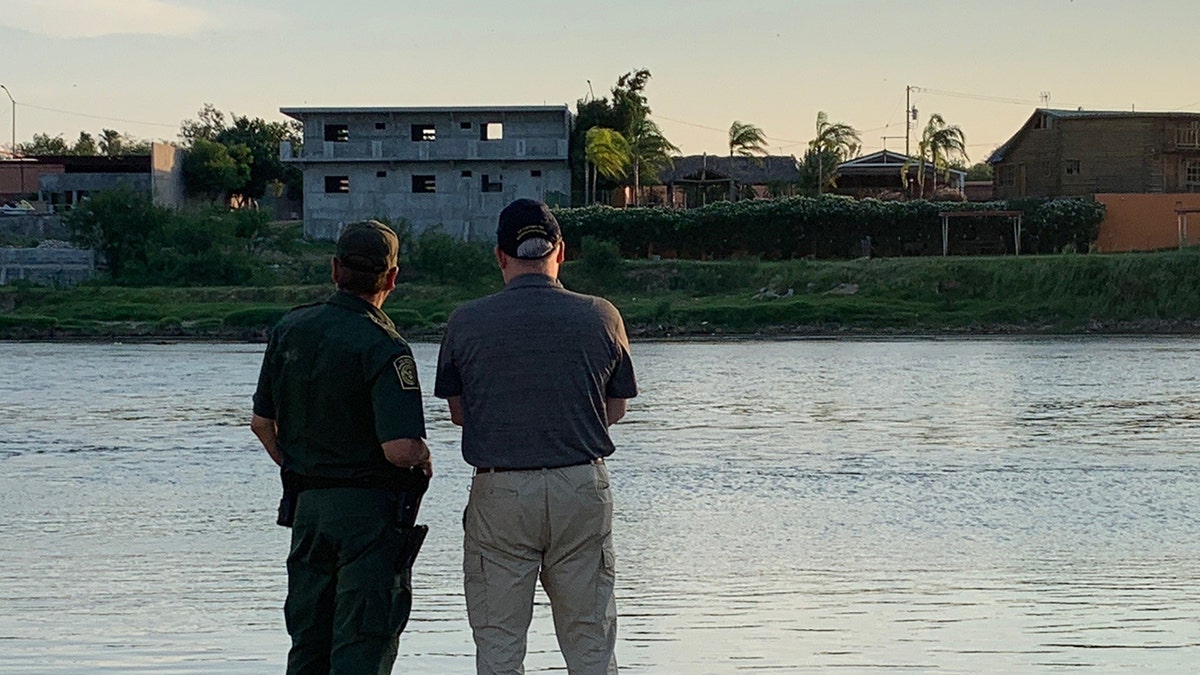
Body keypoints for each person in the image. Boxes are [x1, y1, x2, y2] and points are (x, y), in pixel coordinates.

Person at [435, 198, 638, 675]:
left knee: (500, 645)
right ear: (560, 252)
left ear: (500, 256)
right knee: (590, 643)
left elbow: (460, 414)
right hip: (581, 485)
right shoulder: (602, 316)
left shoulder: (465, 321)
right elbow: (616, 408)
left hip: (500, 491)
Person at [250, 220, 433, 674]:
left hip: (307, 510)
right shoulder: (384, 345)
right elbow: (399, 449)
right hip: (368, 518)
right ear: (391, 278)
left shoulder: (290, 328)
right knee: (361, 646)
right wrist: (424, 457)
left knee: (308, 646)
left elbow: (261, 424)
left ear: (335, 270)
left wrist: (300, 461)